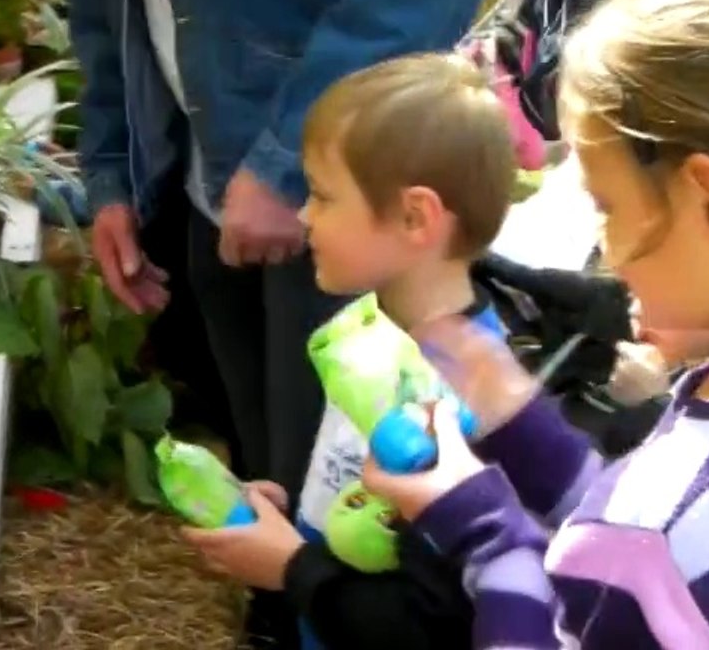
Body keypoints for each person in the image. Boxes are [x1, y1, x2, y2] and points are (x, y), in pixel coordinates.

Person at [69, 0, 494, 644]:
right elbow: (104, 1)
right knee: (278, 464)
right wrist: (115, 174)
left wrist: (290, 164)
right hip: (216, 199)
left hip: (343, 208)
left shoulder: (452, 369)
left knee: (354, 497)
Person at [362, 0, 709, 647]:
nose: (606, 255)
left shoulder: (656, 532)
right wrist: (514, 417)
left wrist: (490, 536)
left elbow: (631, 557)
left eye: (607, 208)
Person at [184, 53, 517, 650]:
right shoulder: (370, 331)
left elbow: (426, 623)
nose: (305, 215)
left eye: (322, 195)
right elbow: (359, 504)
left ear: (415, 217)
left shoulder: (454, 402)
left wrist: (292, 569)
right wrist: (289, 520)